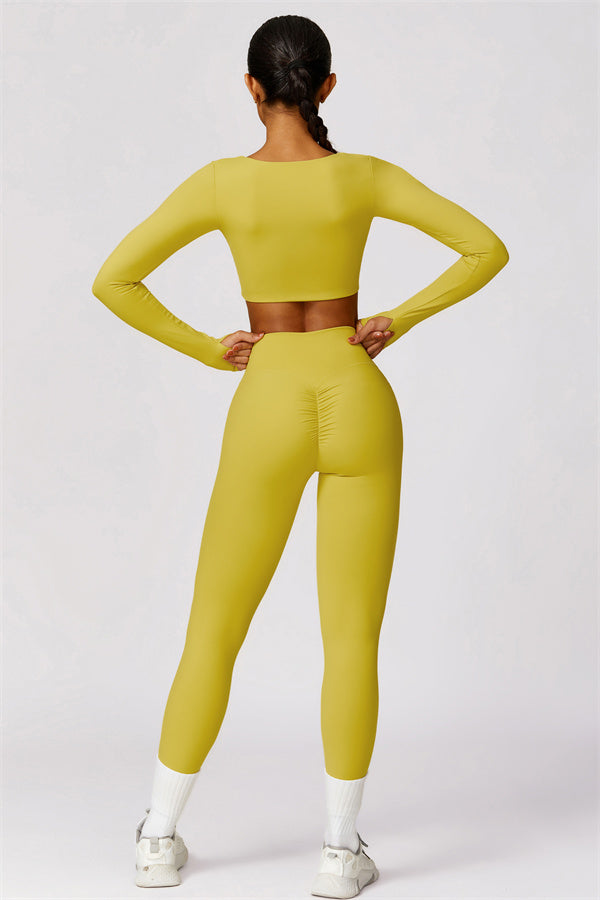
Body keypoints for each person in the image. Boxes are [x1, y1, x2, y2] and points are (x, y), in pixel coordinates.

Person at [91, 13, 509, 898]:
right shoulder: (365, 176)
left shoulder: (221, 184)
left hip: (269, 397)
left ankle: (158, 838)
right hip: (357, 393)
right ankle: (338, 852)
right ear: (326, 87)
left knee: (215, 625)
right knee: (351, 635)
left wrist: (209, 349)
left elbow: (114, 279)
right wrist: (398, 319)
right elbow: (486, 248)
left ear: (252, 88)